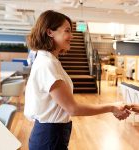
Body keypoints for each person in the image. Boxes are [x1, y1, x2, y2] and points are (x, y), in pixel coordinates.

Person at [24, 10, 130, 150]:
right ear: (50, 32)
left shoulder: (49, 61)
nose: (71, 36)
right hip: (49, 138)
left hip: (51, 135)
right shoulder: (47, 64)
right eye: (67, 31)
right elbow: (72, 109)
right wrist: (112, 107)